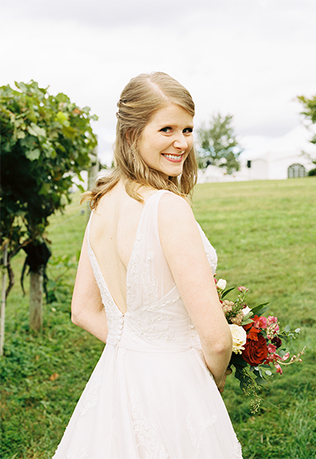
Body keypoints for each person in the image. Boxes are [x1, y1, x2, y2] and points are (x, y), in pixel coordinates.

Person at [53, 72, 243, 458]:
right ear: (130, 135)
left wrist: (137, 345)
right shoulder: (167, 207)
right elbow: (217, 339)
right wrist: (211, 378)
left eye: (187, 129)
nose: (181, 143)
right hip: (174, 387)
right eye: (167, 129)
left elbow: (83, 311)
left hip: (116, 379)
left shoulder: (101, 203)